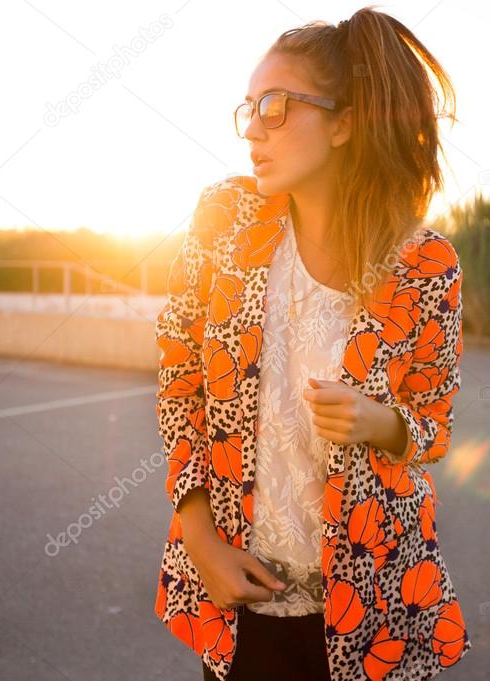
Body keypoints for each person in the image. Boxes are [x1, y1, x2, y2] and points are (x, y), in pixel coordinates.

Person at [153, 6, 471, 680]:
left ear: (344, 121)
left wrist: (374, 419)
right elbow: (179, 378)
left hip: (372, 604)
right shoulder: (224, 221)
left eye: (274, 106)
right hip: (240, 598)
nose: (253, 133)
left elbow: (434, 430)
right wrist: (198, 532)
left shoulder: (424, 265)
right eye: (247, 110)